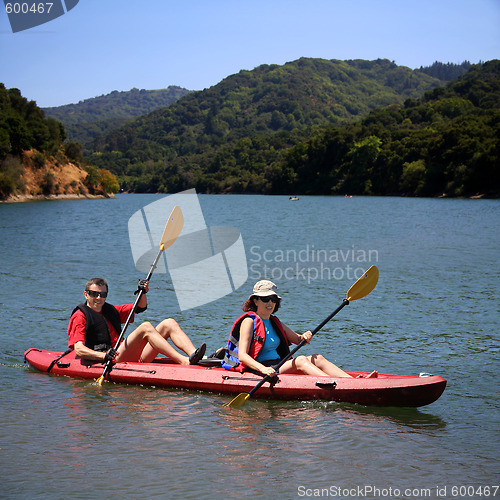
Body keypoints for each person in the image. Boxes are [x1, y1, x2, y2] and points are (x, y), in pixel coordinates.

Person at [223, 280, 377, 378]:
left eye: (273, 299)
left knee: (318, 357)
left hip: (278, 363)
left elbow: (298, 340)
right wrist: (263, 370)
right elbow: (242, 356)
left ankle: (350, 382)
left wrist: (305, 336)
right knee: (302, 360)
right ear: (255, 301)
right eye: (265, 299)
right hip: (259, 368)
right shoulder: (249, 322)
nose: (270, 302)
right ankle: (335, 385)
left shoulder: (274, 321)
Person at [68, 277, 206, 366]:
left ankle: (196, 356)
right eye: (94, 294)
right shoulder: (80, 316)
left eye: (102, 295)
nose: (98, 298)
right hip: (113, 358)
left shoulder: (110, 310)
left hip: (129, 354)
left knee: (168, 323)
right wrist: (104, 356)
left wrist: (143, 291)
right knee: (145, 327)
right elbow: (79, 350)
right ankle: (183, 361)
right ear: (86, 294)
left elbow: (140, 307)